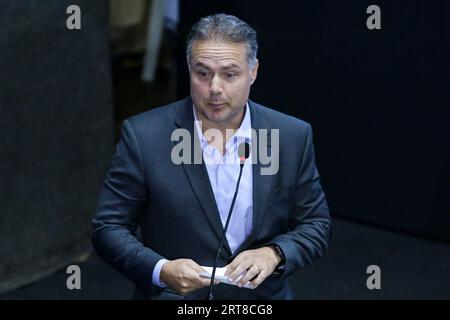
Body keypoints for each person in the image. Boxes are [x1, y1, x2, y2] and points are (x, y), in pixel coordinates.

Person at [92, 13, 331, 300]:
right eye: (202, 73)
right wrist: (161, 269)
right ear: (189, 69)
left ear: (253, 72)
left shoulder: (291, 135)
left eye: (230, 74)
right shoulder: (144, 136)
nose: (215, 88)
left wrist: (274, 254)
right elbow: (108, 228)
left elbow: (315, 224)